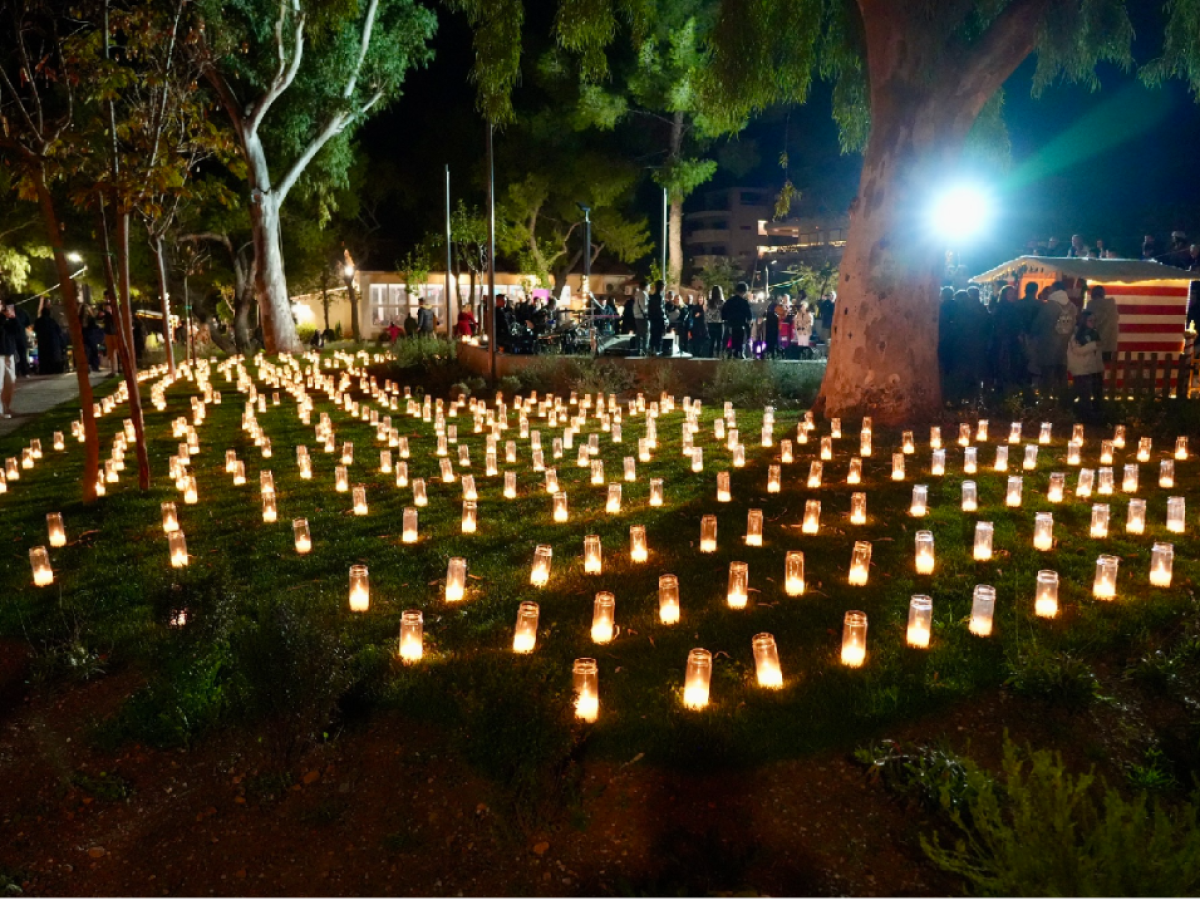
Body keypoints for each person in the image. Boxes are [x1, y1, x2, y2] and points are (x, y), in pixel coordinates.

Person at [1029, 281, 1076, 401]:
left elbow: (1037, 325)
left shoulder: (1049, 306)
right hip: (1064, 347)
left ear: (1055, 290)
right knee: (1061, 376)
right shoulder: (1072, 307)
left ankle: (1046, 404)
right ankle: (1064, 403)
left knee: (1047, 378)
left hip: (1048, 346)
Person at [1067, 309, 1104, 417]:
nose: (1092, 323)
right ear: (1084, 321)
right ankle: (1085, 414)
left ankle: (1071, 409)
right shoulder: (1077, 334)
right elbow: (1078, 350)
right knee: (1084, 392)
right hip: (1080, 367)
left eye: (1094, 320)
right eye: (1090, 320)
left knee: (1083, 391)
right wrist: (1093, 345)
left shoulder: (1094, 334)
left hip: (1091, 368)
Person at [1085, 284, 1119, 364]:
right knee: (1106, 368)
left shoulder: (1091, 305)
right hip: (1109, 344)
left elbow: (1089, 323)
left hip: (1095, 344)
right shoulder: (1112, 306)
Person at [721, 282, 753, 359]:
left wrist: (726, 319)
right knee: (740, 341)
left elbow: (723, 313)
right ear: (744, 291)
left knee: (729, 340)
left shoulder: (729, 301)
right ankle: (740, 353)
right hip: (740, 326)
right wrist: (749, 322)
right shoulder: (744, 302)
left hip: (730, 325)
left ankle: (728, 352)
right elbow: (749, 316)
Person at [0, 303, 21, 417]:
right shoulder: (2, 319)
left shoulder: (6, 319)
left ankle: (6, 407)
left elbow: (17, 331)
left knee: (10, 381)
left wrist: (13, 317)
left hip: (9, 352)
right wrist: (3, 317)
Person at [34, 299, 65, 375]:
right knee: (53, 357)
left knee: (44, 356)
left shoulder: (38, 321)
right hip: (52, 342)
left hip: (43, 342)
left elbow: (36, 329)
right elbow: (58, 331)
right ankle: (54, 369)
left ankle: (45, 370)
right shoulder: (52, 321)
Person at [101, 293, 119, 375]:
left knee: (118, 350)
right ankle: (113, 370)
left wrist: (111, 312)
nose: (106, 298)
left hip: (115, 332)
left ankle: (120, 368)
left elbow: (117, 318)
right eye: (105, 297)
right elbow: (99, 317)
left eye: (107, 297)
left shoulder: (115, 305)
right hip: (108, 331)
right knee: (111, 352)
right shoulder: (103, 306)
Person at [647, 280, 667, 356]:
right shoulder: (660, 297)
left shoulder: (651, 297)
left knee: (653, 336)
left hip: (653, 320)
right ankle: (658, 351)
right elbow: (661, 310)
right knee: (659, 337)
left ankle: (652, 350)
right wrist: (665, 318)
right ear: (662, 287)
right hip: (659, 320)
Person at [631, 280, 649, 355]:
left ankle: (637, 349)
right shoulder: (643, 294)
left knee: (639, 333)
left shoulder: (637, 293)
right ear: (645, 286)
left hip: (637, 315)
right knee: (645, 334)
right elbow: (644, 306)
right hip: (642, 316)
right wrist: (647, 313)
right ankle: (645, 350)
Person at [705, 287, 724, 357]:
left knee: (711, 342)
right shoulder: (722, 302)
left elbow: (707, 314)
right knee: (719, 342)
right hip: (719, 323)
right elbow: (724, 314)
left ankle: (710, 358)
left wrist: (706, 323)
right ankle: (718, 357)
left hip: (711, 324)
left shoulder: (709, 302)